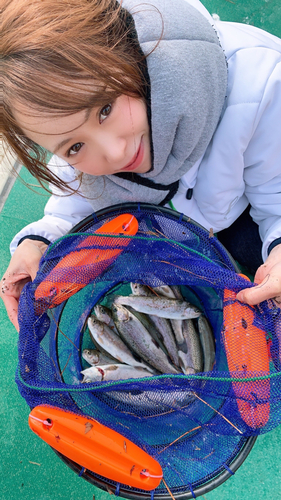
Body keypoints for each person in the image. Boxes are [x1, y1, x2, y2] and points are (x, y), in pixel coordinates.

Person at [1, 0, 281, 331]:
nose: (115, 153)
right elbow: (77, 198)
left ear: (126, 54)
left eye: (105, 109)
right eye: (74, 147)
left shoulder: (261, 88)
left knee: (257, 255)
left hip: (246, 204)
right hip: (188, 217)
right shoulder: (76, 130)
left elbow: (275, 192)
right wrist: (38, 241)